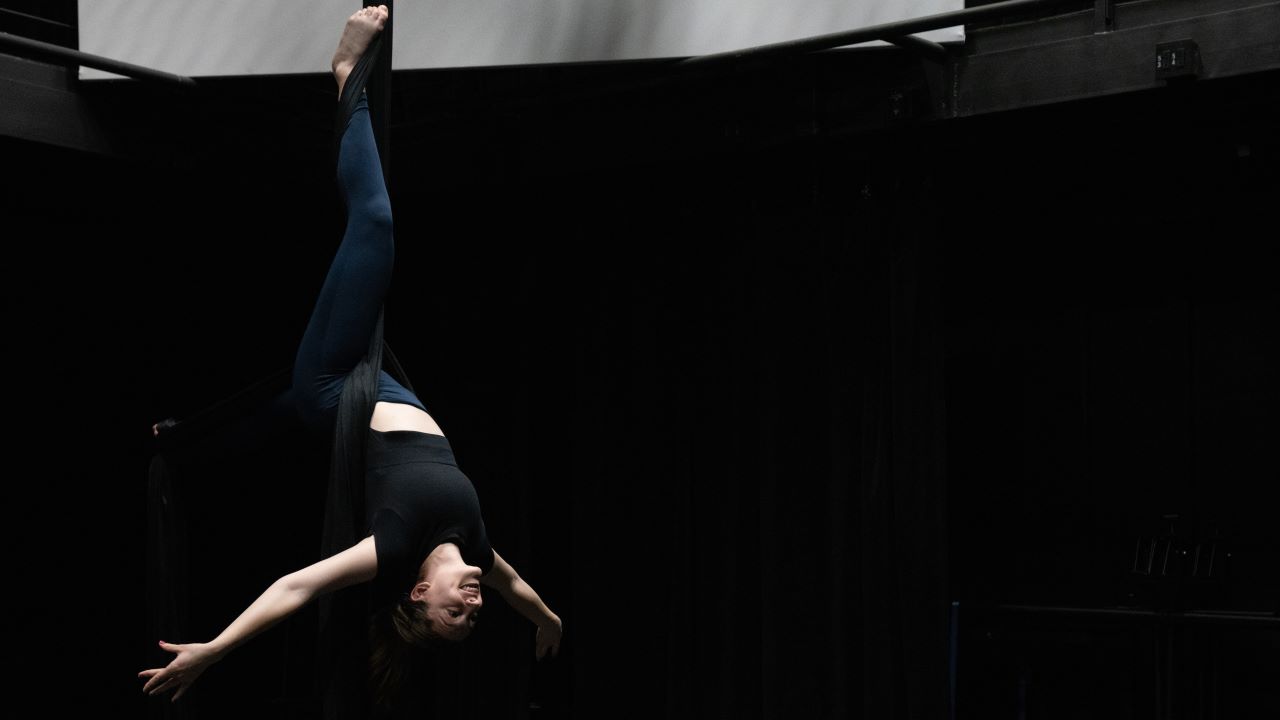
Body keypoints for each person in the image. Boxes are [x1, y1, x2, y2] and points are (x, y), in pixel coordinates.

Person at [138, 5, 561, 705]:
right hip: (369, 384)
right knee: (277, 391)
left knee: (376, 222)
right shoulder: (476, 545)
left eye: (453, 614)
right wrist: (543, 617)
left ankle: (347, 75)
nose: (474, 608)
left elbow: (296, 586)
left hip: (337, 388)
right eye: (472, 618)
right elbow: (514, 586)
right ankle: (191, 440)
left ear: (419, 594)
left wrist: (214, 650)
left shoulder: (392, 547)